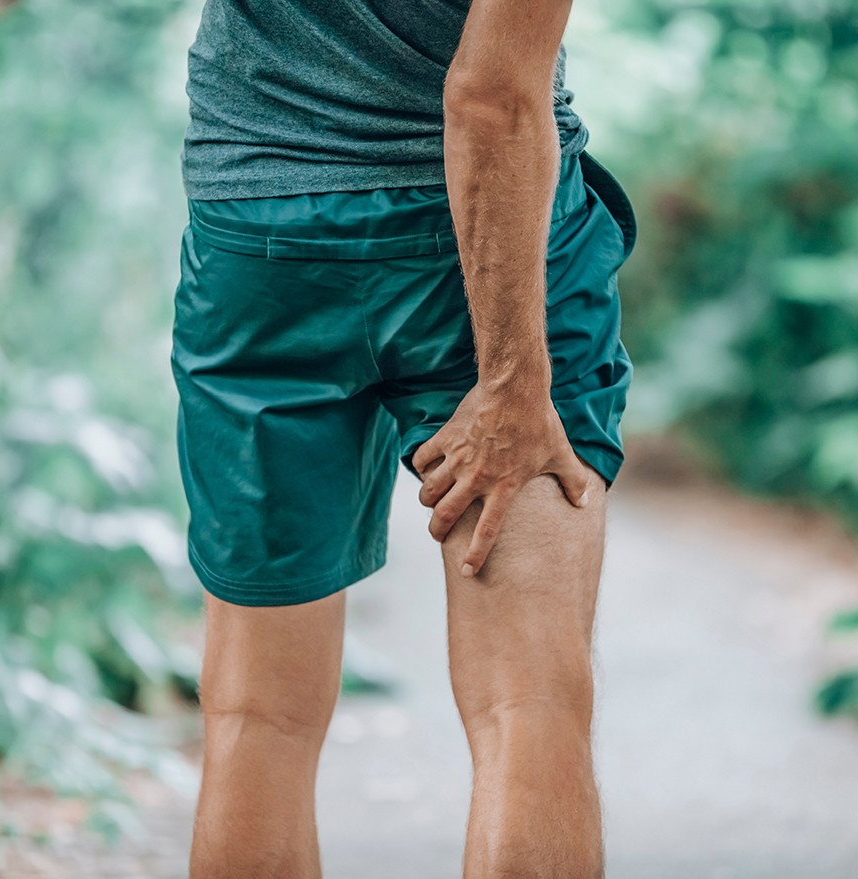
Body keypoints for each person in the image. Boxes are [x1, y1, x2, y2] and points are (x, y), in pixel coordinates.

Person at [171, 0, 636, 876]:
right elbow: (491, 98)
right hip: (482, 228)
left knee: (254, 717)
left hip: (259, 237)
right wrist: (513, 380)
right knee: (526, 698)